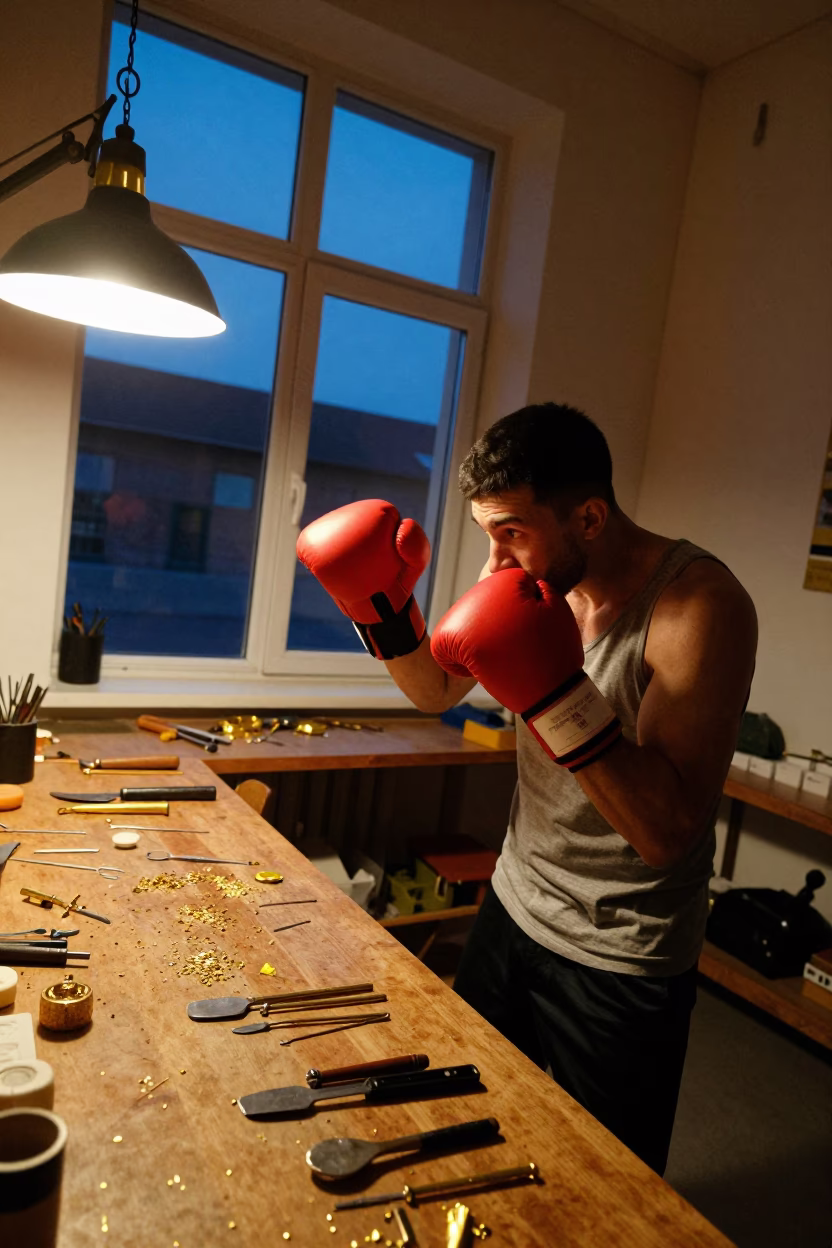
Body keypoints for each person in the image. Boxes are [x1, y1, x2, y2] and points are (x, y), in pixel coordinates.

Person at [296, 401, 757, 1175]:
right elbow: (436, 691)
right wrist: (379, 606)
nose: (495, 565)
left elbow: (664, 833)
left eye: (511, 532)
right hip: (515, 905)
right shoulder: (527, 576)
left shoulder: (698, 609)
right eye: (486, 535)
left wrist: (554, 696)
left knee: (605, 1179)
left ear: (588, 516)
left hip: (621, 950)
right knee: (461, 1116)